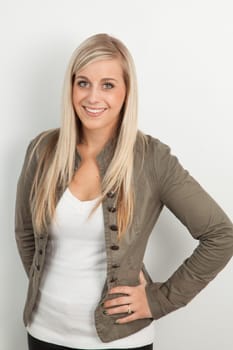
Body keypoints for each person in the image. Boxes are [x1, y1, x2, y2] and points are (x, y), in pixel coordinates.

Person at [15, 33, 233, 350]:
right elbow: (25, 233)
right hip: (43, 333)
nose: (92, 97)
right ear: (71, 87)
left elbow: (221, 234)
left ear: (126, 92)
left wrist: (159, 300)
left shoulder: (152, 158)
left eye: (108, 84)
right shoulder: (42, 150)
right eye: (83, 82)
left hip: (120, 341)